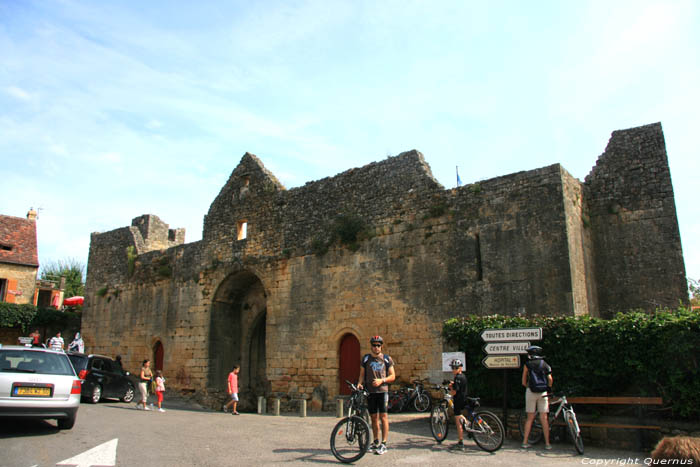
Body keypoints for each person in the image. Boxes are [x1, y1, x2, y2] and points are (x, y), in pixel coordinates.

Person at [357, 335, 395, 455]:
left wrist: (381, 380)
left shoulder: (387, 359)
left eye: (378, 345)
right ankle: (375, 441)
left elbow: (393, 376)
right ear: (371, 346)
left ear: (381, 346)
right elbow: (362, 374)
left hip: (382, 391)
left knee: (383, 417)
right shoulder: (366, 359)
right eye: (374, 345)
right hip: (371, 392)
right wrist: (359, 383)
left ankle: (384, 444)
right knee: (373, 417)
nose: (376, 347)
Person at [521, 345, 553, 450]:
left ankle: (525, 442)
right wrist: (548, 388)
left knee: (530, 418)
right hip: (543, 392)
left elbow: (523, 381)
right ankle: (547, 443)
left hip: (531, 391)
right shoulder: (545, 364)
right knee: (544, 418)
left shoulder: (527, 364)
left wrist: (528, 387)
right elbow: (550, 378)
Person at [448, 358, 469, 451]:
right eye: (453, 367)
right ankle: (468, 424)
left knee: (458, 421)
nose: (454, 369)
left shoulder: (457, 378)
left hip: (458, 401)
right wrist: (453, 384)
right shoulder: (463, 376)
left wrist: (450, 389)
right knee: (460, 416)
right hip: (464, 399)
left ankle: (461, 442)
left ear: (460, 368)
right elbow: (460, 386)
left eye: (456, 368)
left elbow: (454, 392)